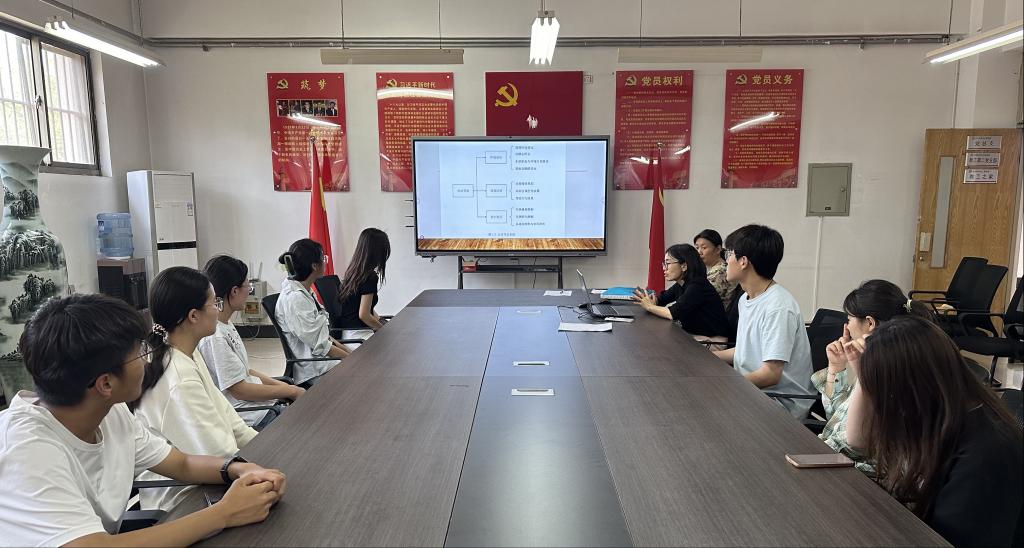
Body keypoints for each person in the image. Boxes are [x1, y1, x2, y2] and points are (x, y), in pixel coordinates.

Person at [0, 294, 286, 546]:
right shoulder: (26, 448)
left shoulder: (110, 412)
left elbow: (182, 464)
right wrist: (224, 513)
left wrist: (239, 469)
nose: (147, 360)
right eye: (139, 352)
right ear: (106, 383)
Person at [843, 316, 1022, 547]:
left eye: (883, 394)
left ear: (909, 390)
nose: (881, 406)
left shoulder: (986, 454)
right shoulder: (942, 415)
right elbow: (858, 441)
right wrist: (864, 371)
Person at [131, 267, 259, 512]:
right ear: (193, 316)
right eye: (214, 303)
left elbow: (229, 418)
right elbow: (216, 454)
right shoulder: (179, 378)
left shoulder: (186, 354)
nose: (218, 309)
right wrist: (257, 466)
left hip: (212, 477)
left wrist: (264, 450)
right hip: (184, 499)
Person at [813, 280, 932, 473]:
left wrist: (864, 374)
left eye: (849, 320)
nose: (846, 327)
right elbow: (836, 416)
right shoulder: (873, 357)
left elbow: (855, 444)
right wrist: (836, 367)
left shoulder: (889, 367)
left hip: (862, 473)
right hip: (840, 459)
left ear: (869, 323)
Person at [712, 224, 815, 419]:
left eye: (728, 254)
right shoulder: (746, 298)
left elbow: (770, 374)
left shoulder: (778, 307)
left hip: (780, 403)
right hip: (754, 392)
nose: (725, 261)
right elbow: (747, 349)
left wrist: (726, 385)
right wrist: (705, 357)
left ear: (743, 261)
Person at [200, 255, 305, 430]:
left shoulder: (225, 323)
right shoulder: (215, 336)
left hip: (261, 408)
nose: (250, 289)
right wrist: (291, 391)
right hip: (252, 417)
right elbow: (240, 390)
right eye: (247, 285)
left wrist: (286, 388)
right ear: (234, 291)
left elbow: (245, 371)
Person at [276, 238, 350, 384]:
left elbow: (324, 337)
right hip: (316, 370)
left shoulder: (305, 291)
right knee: (366, 376)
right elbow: (321, 346)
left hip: (324, 363)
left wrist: (350, 353)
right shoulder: (295, 299)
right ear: (315, 266)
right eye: (323, 258)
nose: (325, 262)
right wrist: (351, 360)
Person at [633, 243, 729, 339]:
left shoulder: (698, 286)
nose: (664, 268)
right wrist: (650, 301)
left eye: (667, 264)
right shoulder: (681, 284)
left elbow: (672, 313)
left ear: (683, 266)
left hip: (712, 340)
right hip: (694, 335)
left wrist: (650, 306)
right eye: (664, 264)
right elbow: (661, 299)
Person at [337, 228, 391, 338]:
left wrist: (380, 321)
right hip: (359, 335)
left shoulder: (353, 272)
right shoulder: (370, 277)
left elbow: (365, 309)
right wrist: (384, 330)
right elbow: (364, 315)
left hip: (348, 333)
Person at [693, 229, 737, 310]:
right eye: (697, 248)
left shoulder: (721, 271)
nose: (699, 252)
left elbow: (698, 299)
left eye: (704, 248)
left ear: (718, 249)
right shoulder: (714, 269)